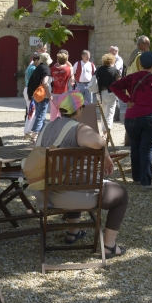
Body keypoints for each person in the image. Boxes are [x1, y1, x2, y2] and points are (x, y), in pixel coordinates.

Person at [34, 92, 128, 257]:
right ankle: (109, 246)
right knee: (121, 194)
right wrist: (106, 158)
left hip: (47, 195)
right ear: (79, 109)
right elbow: (98, 141)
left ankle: (73, 231)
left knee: (73, 176)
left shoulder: (47, 128)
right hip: (76, 197)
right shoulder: (77, 128)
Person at [111, 52, 152, 186]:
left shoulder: (132, 78)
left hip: (132, 117)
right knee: (147, 149)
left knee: (135, 147)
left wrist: (127, 99)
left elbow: (114, 86)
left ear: (139, 64)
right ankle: (145, 181)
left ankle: (136, 177)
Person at [26, 52, 53, 138]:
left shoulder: (38, 68)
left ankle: (42, 135)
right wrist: (49, 95)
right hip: (43, 96)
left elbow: (30, 82)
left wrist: (30, 95)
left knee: (40, 116)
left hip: (36, 95)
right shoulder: (46, 69)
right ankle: (34, 136)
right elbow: (45, 82)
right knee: (40, 116)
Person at [95, 53, 121, 126]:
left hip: (100, 93)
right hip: (111, 93)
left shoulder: (99, 70)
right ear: (112, 61)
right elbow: (119, 82)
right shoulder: (115, 70)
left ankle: (103, 131)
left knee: (102, 113)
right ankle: (107, 130)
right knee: (110, 113)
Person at [48, 50, 74, 119]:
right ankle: (60, 127)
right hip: (64, 93)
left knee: (53, 113)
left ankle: (52, 127)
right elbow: (72, 79)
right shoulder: (68, 69)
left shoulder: (52, 69)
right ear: (66, 60)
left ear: (57, 60)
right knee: (61, 113)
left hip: (54, 93)